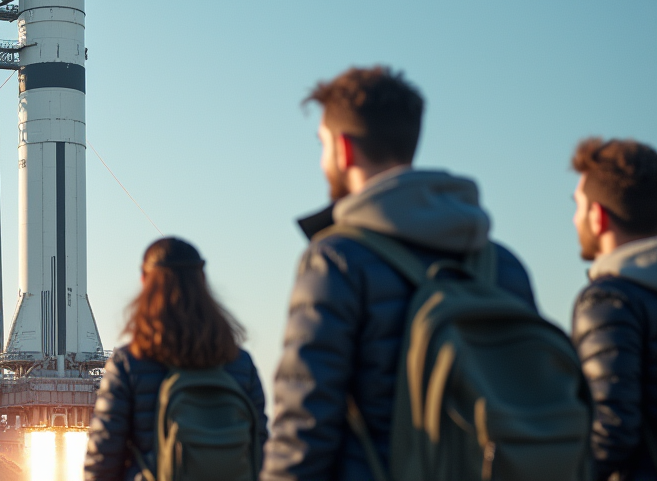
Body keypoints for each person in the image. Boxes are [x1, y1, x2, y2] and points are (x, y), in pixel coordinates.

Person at [262, 66, 537, 481]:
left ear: (343, 149)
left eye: (322, 144)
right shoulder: (503, 264)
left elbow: (304, 426)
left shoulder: (336, 259)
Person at [84, 237, 268, 481]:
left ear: (144, 280)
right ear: (202, 280)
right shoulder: (241, 363)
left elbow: (103, 459)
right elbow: (261, 448)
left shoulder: (128, 363)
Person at [569, 137, 657, 481]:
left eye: (578, 206)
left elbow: (611, 431)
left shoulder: (608, 300)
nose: (574, 219)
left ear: (598, 216)